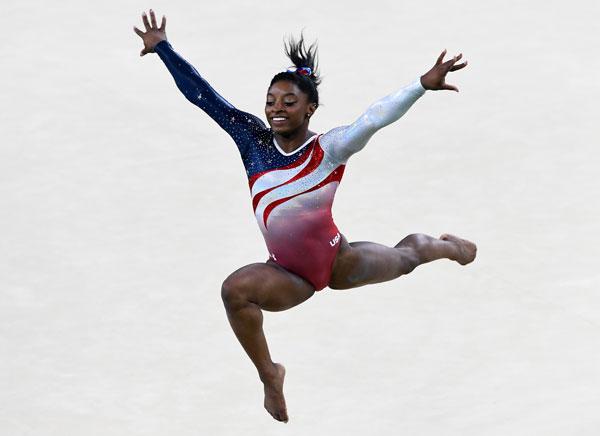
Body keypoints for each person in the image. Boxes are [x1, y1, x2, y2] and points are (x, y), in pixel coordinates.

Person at [134, 9, 477, 423]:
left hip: (337, 261)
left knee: (405, 260)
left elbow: (375, 117)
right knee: (235, 292)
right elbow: (204, 96)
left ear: (310, 108)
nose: (276, 109)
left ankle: (441, 245)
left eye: (289, 103)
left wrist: (421, 85)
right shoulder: (253, 140)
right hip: (288, 275)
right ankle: (270, 376)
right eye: (271, 102)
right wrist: (163, 50)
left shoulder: (329, 149)